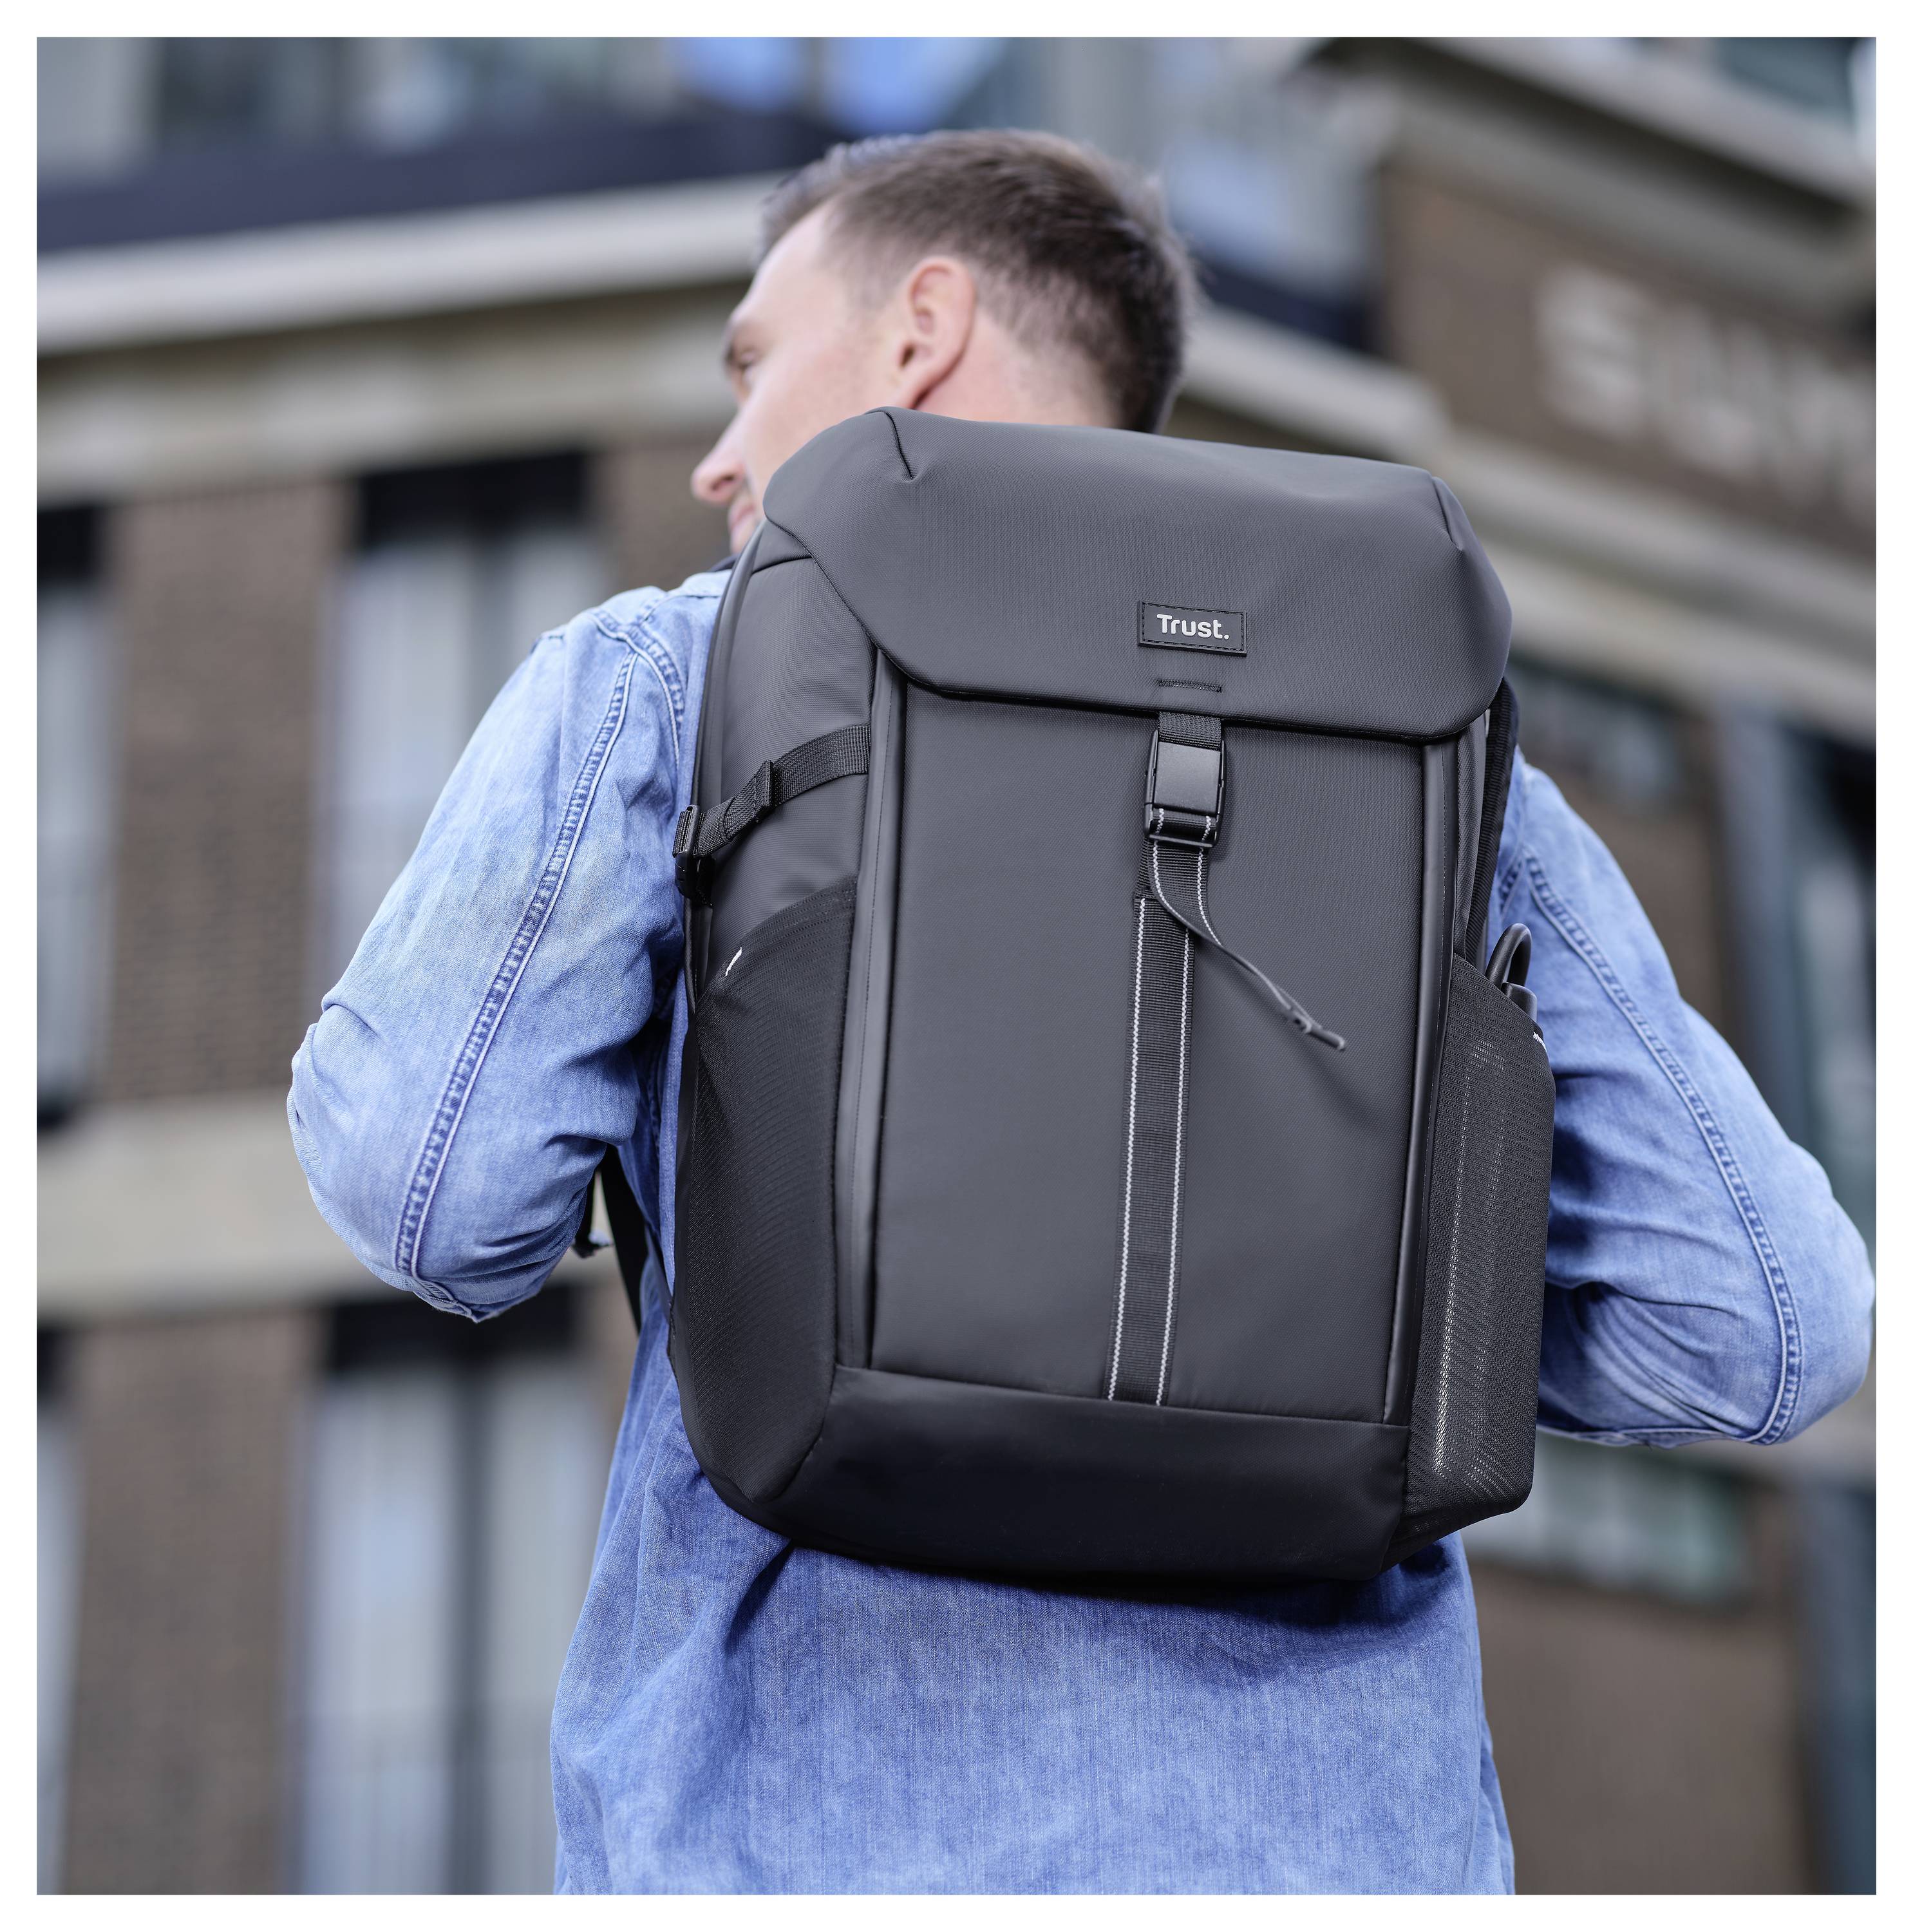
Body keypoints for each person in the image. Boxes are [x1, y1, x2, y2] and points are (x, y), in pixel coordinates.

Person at [288, 129, 1874, 1893]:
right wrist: (1353, 1326)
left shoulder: (676, 677)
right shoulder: (1424, 736)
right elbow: (1759, 1333)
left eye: (751, 366)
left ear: (921, 330)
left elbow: (431, 1195)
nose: (723, 461)